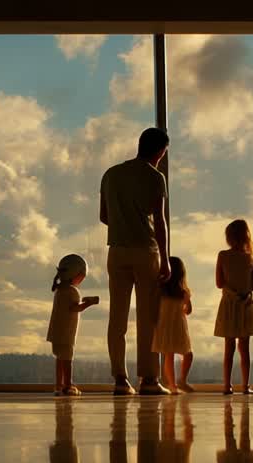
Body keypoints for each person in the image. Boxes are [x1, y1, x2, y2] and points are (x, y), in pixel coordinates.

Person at [101, 127, 172, 396]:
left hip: (117, 251)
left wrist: (124, 222)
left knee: (117, 318)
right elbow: (160, 221)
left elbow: (104, 216)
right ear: (160, 151)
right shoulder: (155, 177)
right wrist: (165, 259)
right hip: (145, 250)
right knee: (147, 317)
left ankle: (120, 379)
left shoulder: (111, 174)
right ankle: (149, 379)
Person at [214, 219, 253, 395]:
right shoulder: (251, 258)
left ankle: (227, 386)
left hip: (229, 304)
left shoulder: (222, 256)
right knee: (245, 349)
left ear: (229, 237)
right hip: (245, 304)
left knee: (229, 348)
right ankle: (245, 386)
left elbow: (219, 283)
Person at [46, 254, 99, 396]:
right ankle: (68, 385)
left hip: (55, 333)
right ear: (77, 275)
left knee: (59, 358)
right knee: (68, 359)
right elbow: (75, 308)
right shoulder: (73, 291)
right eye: (82, 276)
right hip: (67, 333)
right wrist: (89, 303)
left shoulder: (59, 290)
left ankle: (59, 385)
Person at [152, 256, 194, 394]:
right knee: (188, 354)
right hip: (179, 326)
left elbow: (155, 307)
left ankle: (172, 385)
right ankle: (182, 380)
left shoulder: (161, 290)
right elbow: (188, 310)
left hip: (165, 325)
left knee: (169, 356)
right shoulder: (184, 292)